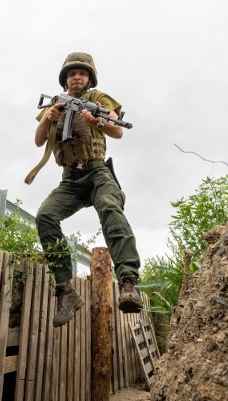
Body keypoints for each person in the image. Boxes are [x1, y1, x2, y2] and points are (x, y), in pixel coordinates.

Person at [29, 52, 143, 327]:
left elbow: (118, 130)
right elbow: (38, 141)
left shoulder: (98, 99)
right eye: (71, 73)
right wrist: (49, 117)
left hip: (96, 171)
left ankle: (128, 281)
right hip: (70, 179)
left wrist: (98, 122)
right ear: (65, 79)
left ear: (89, 78)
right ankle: (65, 291)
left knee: (109, 205)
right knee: (45, 216)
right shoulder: (55, 103)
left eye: (81, 73)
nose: (76, 76)